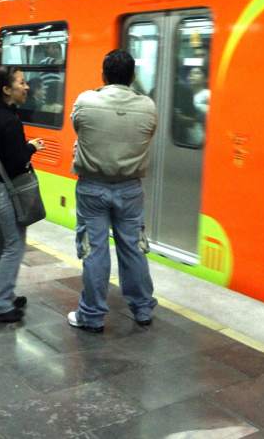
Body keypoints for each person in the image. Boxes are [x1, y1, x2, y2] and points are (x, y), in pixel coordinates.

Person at [68, 49, 157, 333]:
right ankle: (142, 308)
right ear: (133, 76)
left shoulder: (86, 100)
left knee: (94, 251)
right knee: (133, 249)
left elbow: (78, 128)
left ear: (103, 75)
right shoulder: (148, 107)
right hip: (130, 189)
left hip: (92, 187)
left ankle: (92, 316)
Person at [0, 66, 45, 323]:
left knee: (2, 242)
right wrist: (31, 146)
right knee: (14, 243)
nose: (26, 87)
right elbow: (16, 161)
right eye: (21, 83)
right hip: (1, 189)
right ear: (7, 90)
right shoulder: (8, 119)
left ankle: (2, 293)